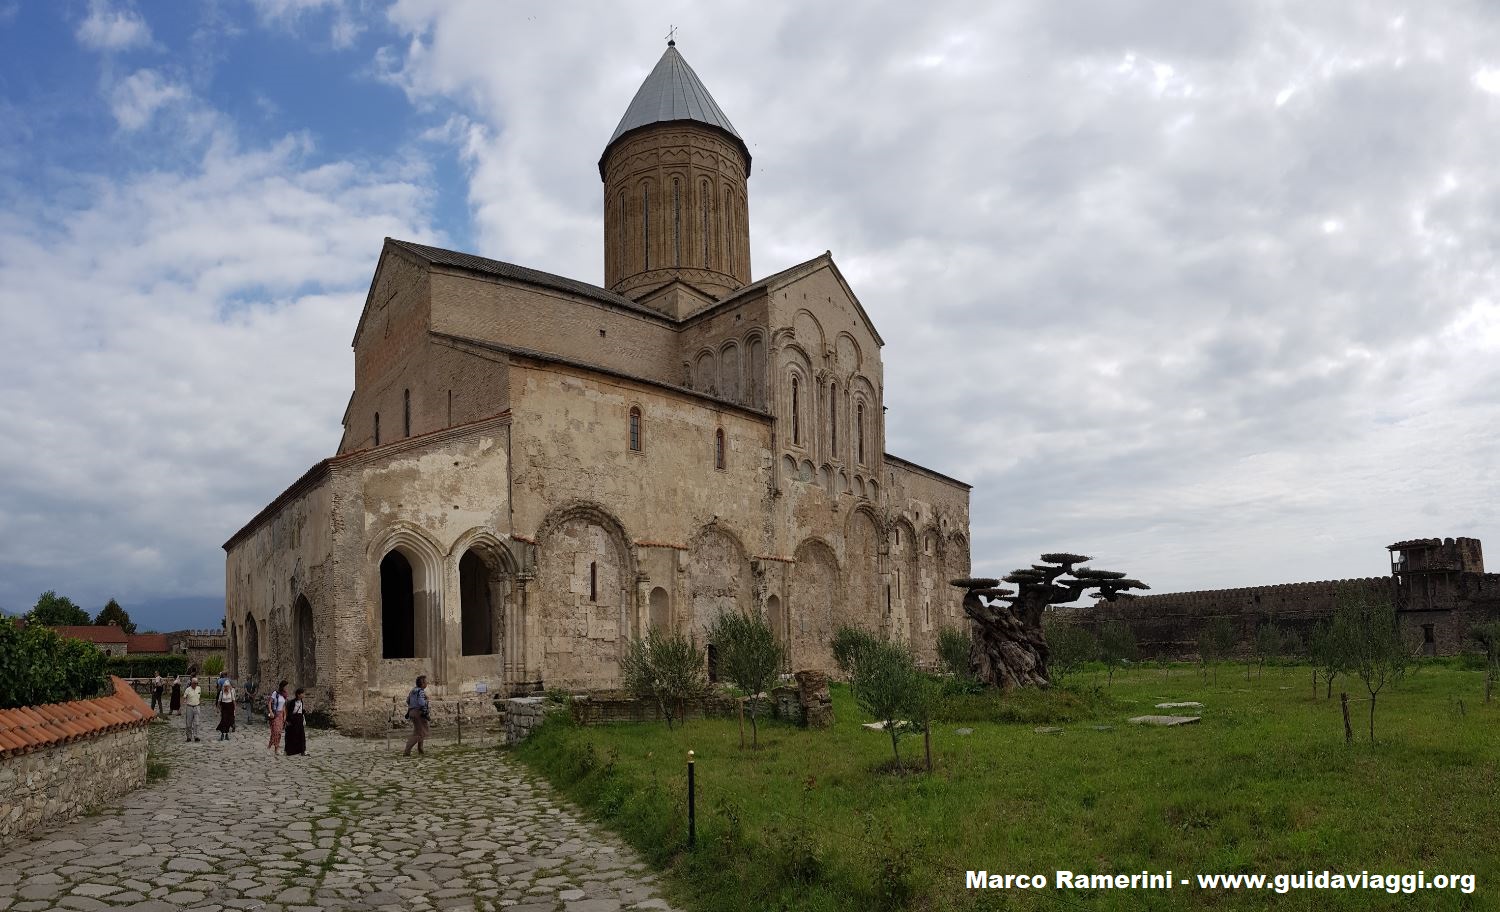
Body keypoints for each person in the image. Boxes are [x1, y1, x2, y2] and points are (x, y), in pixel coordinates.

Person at [403, 675, 430, 757]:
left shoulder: (412, 691)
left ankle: (420, 749)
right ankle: (407, 751)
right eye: (425, 682)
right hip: (419, 713)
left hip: (412, 712)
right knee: (418, 733)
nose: (427, 683)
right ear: (422, 684)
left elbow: (408, 700)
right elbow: (421, 703)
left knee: (420, 731)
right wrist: (426, 700)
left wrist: (413, 705)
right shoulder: (421, 691)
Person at [267, 680, 289, 755]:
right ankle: (269, 747)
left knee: (279, 733)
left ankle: (276, 749)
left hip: (281, 715)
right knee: (275, 732)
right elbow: (269, 702)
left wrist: (285, 714)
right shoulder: (275, 693)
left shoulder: (284, 695)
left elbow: (283, 706)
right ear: (282, 686)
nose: (287, 688)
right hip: (275, 714)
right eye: (286, 686)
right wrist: (270, 711)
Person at [285, 688, 307, 756]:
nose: (303, 695)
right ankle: (291, 751)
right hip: (294, 721)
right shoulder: (292, 702)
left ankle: (302, 751)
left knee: (301, 736)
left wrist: (303, 712)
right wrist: (289, 721)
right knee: (292, 736)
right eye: (302, 693)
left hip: (300, 720)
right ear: (298, 694)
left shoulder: (301, 702)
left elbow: (300, 711)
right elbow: (290, 712)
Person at [216, 677, 237, 741]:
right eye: (225, 686)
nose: (226, 687)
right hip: (224, 707)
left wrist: (235, 709)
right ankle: (222, 733)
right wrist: (217, 708)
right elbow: (219, 701)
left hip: (230, 707)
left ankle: (227, 734)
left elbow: (233, 700)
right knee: (224, 720)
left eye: (227, 686)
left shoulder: (231, 692)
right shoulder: (221, 693)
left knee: (228, 721)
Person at [182, 676, 202, 742]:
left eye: (197, 683)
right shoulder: (188, 689)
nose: (196, 684)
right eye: (195, 683)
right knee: (188, 723)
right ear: (192, 683)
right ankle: (189, 737)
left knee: (197, 723)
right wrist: (184, 701)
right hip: (189, 707)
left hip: (197, 706)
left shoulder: (199, 688)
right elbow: (184, 697)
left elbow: (199, 696)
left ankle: (196, 736)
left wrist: (199, 702)